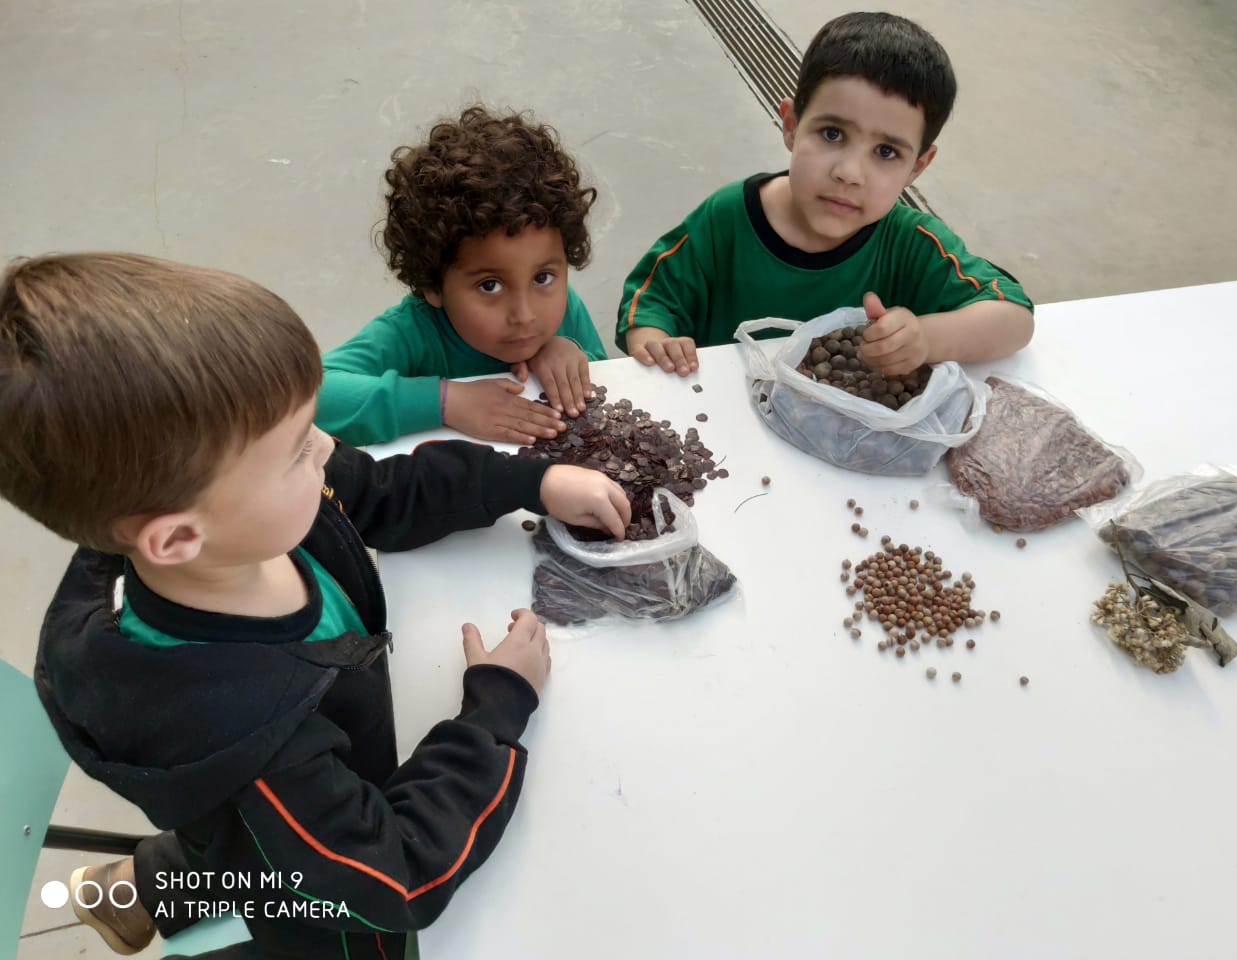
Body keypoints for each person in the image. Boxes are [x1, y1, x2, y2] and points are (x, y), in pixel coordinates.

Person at [0, 253, 630, 959]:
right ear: (176, 537)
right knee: (276, 862)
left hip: (281, 810)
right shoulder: (244, 738)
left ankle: (135, 888)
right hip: (327, 910)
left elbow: (379, 492)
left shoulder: (223, 524)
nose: (327, 445)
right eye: (298, 449)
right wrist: (497, 708)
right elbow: (393, 877)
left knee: (245, 831)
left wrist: (530, 482)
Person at [616, 11, 1034, 378]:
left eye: (886, 152)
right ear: (791, 125)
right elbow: (650, 303)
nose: (849, 173)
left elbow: (1014, 317)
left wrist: (926, 338)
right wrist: (656, 343)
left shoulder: (911, 242)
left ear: (917, 167)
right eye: (832, 134)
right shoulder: (726, 218)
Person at [318, 106, 608, 446]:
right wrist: (446, 402)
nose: (525, 315)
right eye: (490, 286)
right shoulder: (413, 332)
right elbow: (310, 395)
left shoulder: (567, 310)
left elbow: (615, 388)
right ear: (432, 284)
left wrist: (572, 353)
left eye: (542, 278)